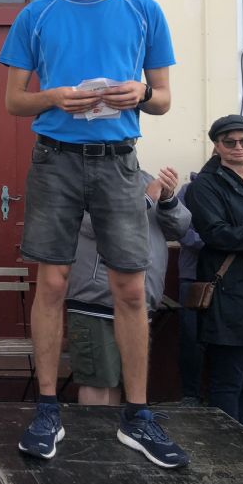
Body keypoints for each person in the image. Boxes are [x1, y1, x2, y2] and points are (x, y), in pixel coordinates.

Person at [0, 0, 189, 468]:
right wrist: (54, 96)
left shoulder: (144, 10)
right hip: (55, 159)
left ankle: (138, 415)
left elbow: (163, 98)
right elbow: (14, 101)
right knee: (52, 282)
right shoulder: (37, 14)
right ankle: (47, 408)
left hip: (119, 162)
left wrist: (142, 94)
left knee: (130, 287)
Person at [65, 168, 191, 405]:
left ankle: (110, 430)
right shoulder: (82, 177)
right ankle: (93, 431)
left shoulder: (145, 179)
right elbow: (95, 225)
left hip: (139, 303)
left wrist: (168, 200)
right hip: (97, 301)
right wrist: (145, 200)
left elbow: (180, 229)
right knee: (98, 382)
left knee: (120, 382)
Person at [184, 114, 243, 432]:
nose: (238, 147)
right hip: (227, 293)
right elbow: (217, 234)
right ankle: (227, 448)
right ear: (217, 146)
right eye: (229, 142)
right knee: (228, 381)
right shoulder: (204, 186)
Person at [175, 176, 206, 406]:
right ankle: (191, 394)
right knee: (191, 338)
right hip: (192, 276)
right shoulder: (190, 190)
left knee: (229, 340)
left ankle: (220, 396)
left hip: (234, 280)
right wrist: (216, 242)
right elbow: (179, 228)